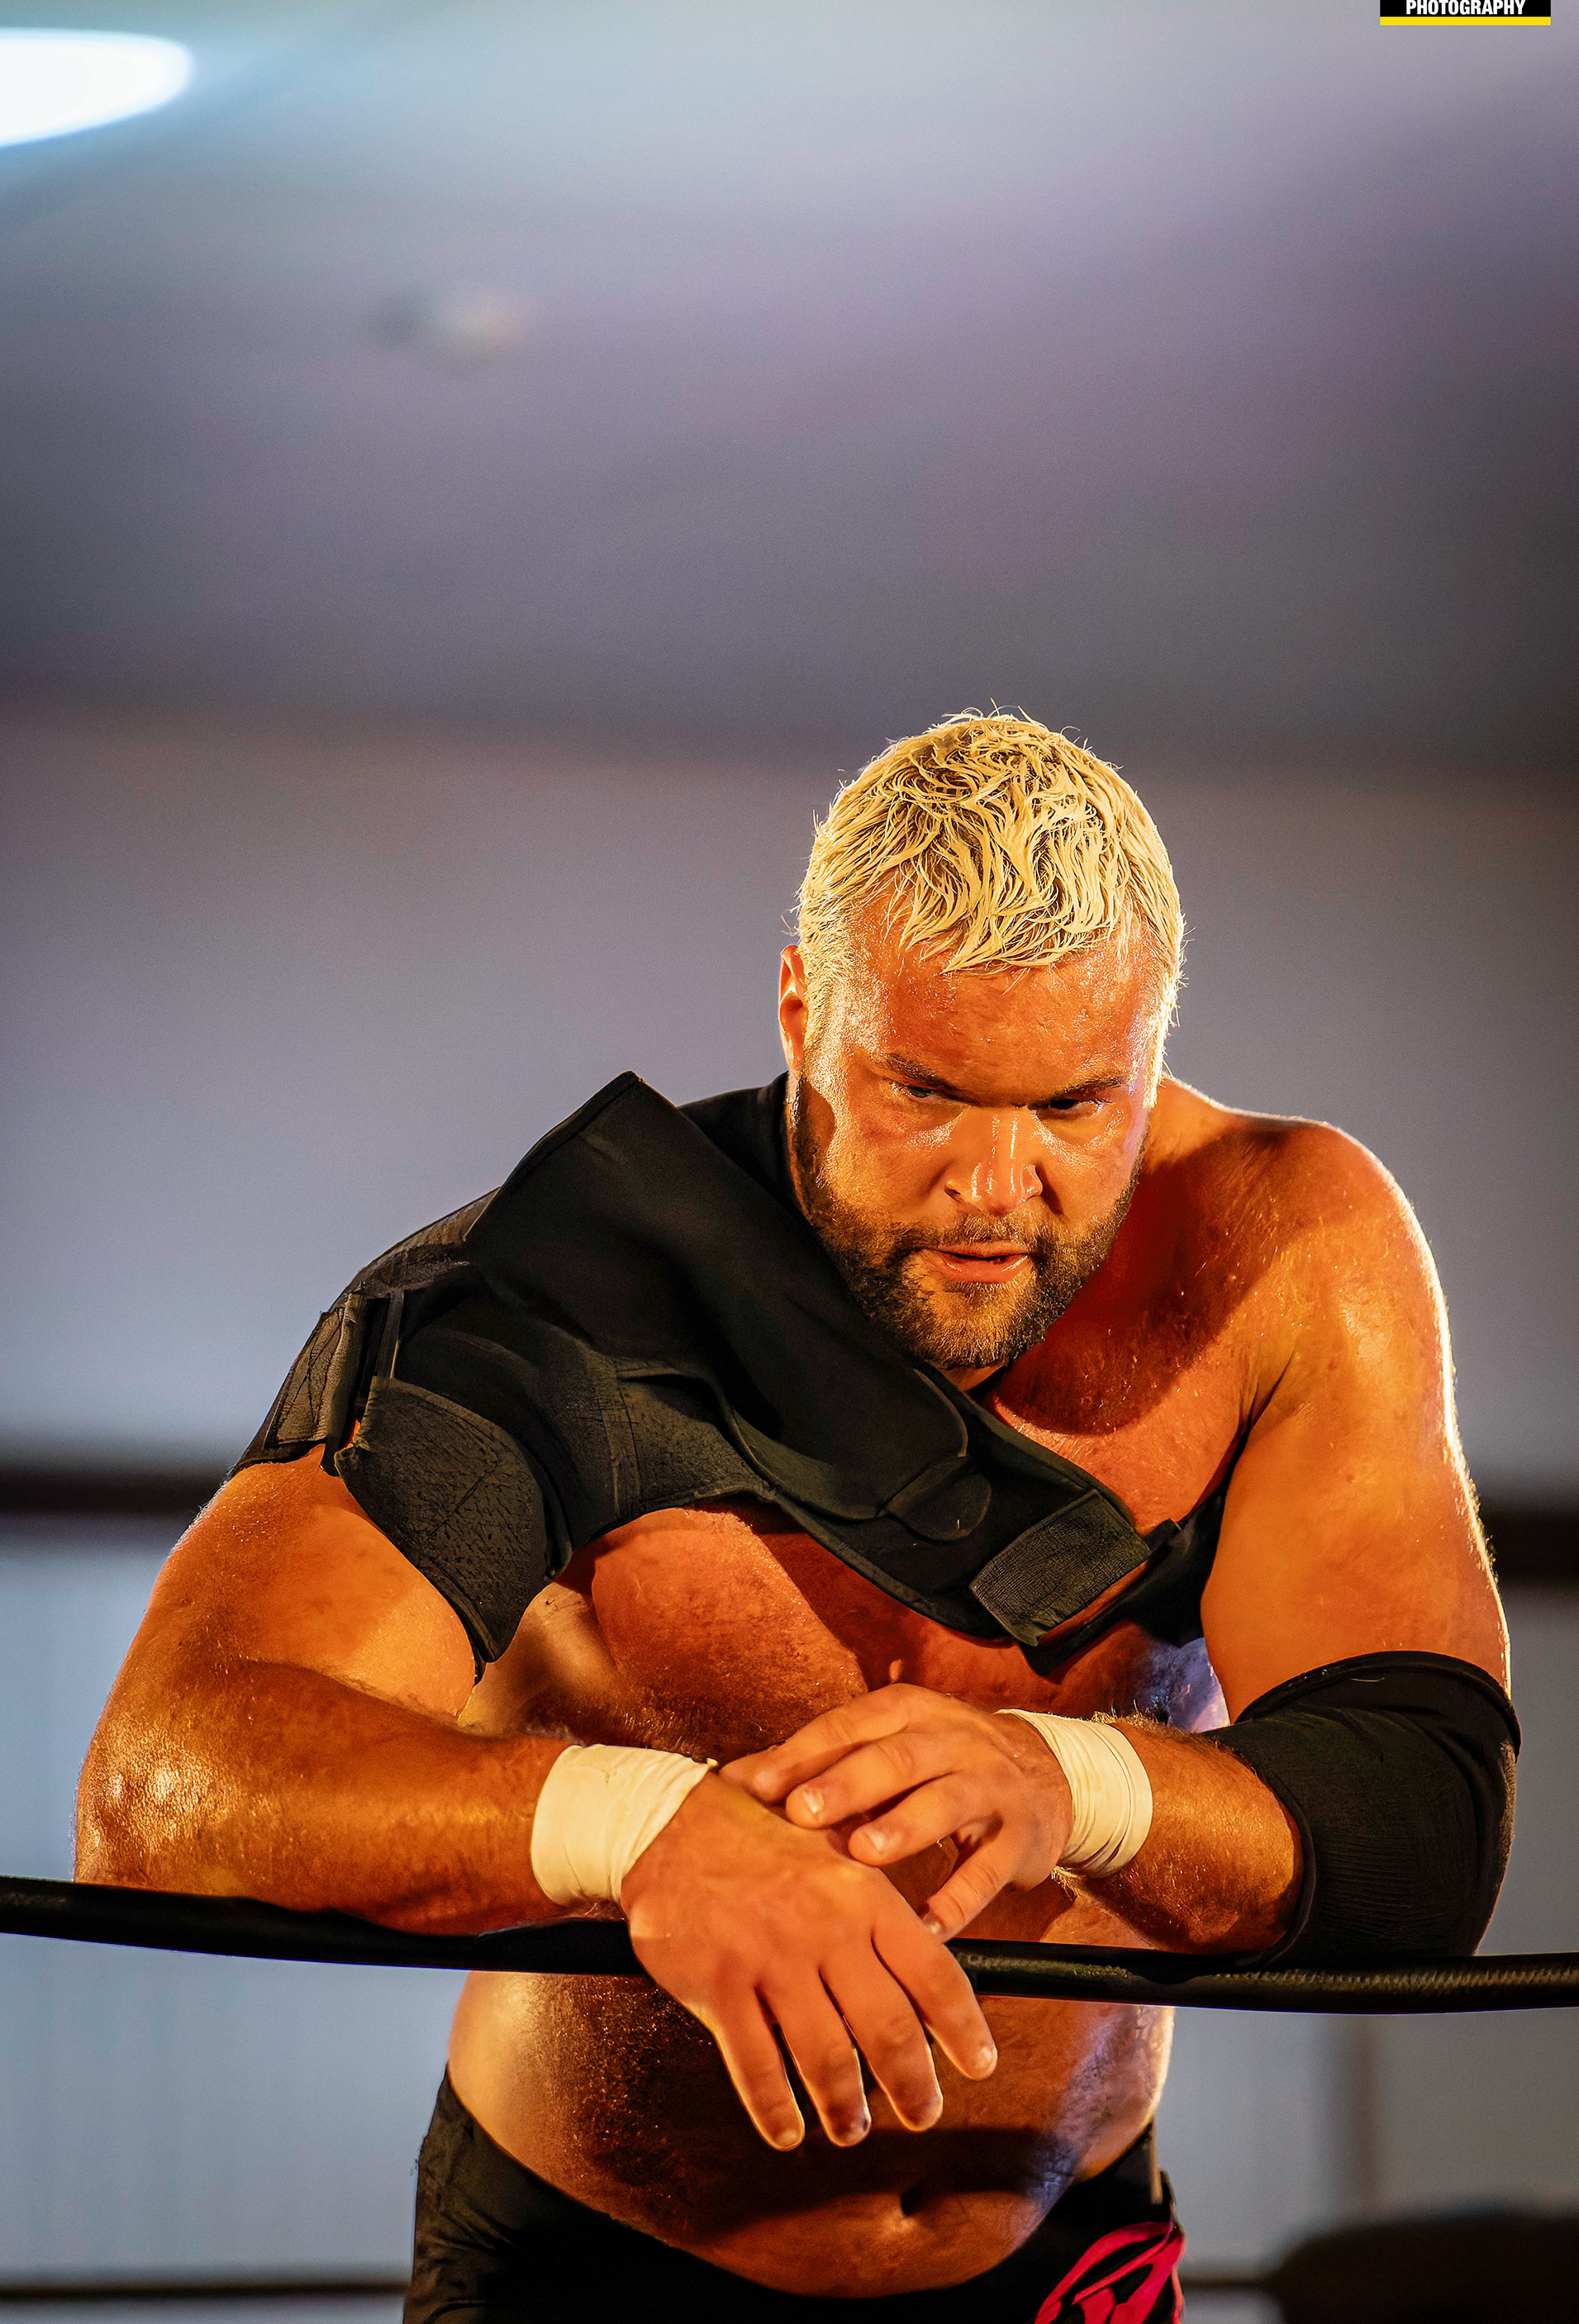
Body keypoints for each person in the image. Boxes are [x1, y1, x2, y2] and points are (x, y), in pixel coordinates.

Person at [78, 715, 1515, 2324]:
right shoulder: (565, 1307)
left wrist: (1081, 1780)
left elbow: (1426, 1825)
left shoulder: (1278, 1259)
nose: (995, 1185)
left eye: (1072, 1104)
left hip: (1060, 2240)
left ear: (1152, 1045)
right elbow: (163, 1795)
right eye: (924, 1091)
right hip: (600, 2260)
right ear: (803, 1016)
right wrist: (642, 1828)